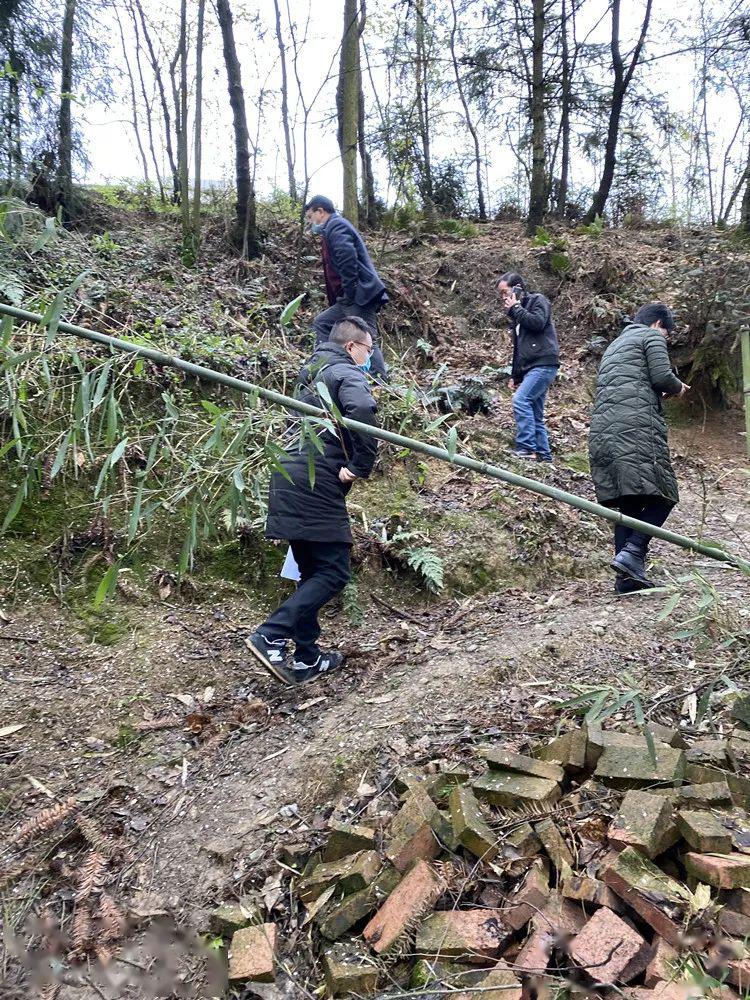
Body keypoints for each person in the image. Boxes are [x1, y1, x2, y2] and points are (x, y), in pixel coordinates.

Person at [246, 316, 378, 685]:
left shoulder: (311, 372)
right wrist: (359, 465)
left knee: (311, 571)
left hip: (288, 471)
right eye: (368, 350)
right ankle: (271, 635)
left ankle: (306, 656)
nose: (370, 357)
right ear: (352, 347)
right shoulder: (342, 372)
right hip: (315, 480)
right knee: (334, 572)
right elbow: (364, 412)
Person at [588, 302, 689, 594]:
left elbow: (630, 384)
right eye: (667, 335)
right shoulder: (651, 336)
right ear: (659, 324)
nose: (665, 340)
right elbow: (661, 377)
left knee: (629, 503)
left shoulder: (616, 345)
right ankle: (633, 552)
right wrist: (679, 387)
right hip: (636, 429)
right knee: (665, 494)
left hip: (604, 431)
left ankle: (626, 580)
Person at [305, 194, 389, 379]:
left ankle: (380, 382)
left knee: (365, 336)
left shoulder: (336, 226)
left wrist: (349, 292)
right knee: (324, 323)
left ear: (320, 211)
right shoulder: (331, 229)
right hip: (350, 296)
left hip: (359, 295)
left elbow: (348, 260)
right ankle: (325, 365)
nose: (310, 223)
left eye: (310, 217)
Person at [497, 272, 560, 463]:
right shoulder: (518, 313)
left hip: (544, 362)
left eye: (505, 292)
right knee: (534, 411)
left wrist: (515, 307)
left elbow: (538, 323)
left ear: (517, 289)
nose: (503, 298)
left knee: (521, 400)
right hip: (531, 366)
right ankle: (544, 456)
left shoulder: (538, 300)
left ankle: (526, 447)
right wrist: (515, 376)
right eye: (500, 295)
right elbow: (519, 348)